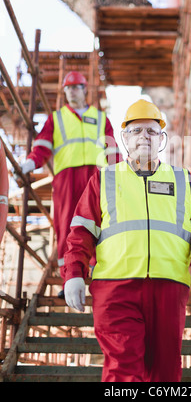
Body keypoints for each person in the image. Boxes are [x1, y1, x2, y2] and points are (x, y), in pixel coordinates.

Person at [64, 99, 191, 382]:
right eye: (136, 131)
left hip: (169, 288)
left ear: (161, 139)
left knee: (164, 374)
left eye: (150, 131)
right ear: (124, 138)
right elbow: (82, 231)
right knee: (123, 369)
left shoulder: (183, 180)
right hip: (115, 289)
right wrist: (73, 273)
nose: (143, 138)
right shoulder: (105, 179)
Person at [20, 70, 122, 288]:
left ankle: (97, 273)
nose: (71, 92)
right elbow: (42, 146)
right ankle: (70, 276)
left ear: (84, 90)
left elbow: (111, 148)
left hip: (96, 176)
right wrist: (30, 163)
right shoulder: (56, 118)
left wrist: (120, 174)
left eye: (76, 87)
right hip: (66, 177)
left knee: (100, 222)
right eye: (68, 88)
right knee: (66, 224)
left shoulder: (101, 118)